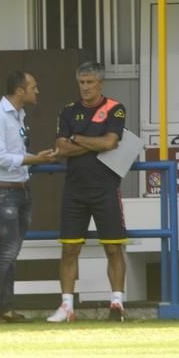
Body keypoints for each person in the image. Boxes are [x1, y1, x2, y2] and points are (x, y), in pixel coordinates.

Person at [47, 62, 127, 323]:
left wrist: (78, 139)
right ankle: (67, 307)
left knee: (113, 248)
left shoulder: (115, 108)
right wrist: (93, 144)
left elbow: (110, 142)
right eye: (82, 82)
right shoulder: (68, 111)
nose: (85, 87)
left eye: (90, 82)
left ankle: (117, 304)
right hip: (75, 189)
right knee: (69, 249)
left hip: (105, 187)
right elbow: (61, 148)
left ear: (100, 83)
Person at [0, 71, 59, 323]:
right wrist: (35, 159)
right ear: (19, 90)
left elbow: (13, 153)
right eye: (33, 87)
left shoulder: (18, 116)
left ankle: (4, 307)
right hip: (3, 191)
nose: (37, 91)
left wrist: (35, 158)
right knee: (8, 250)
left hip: (19, 189)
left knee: (11, 250)